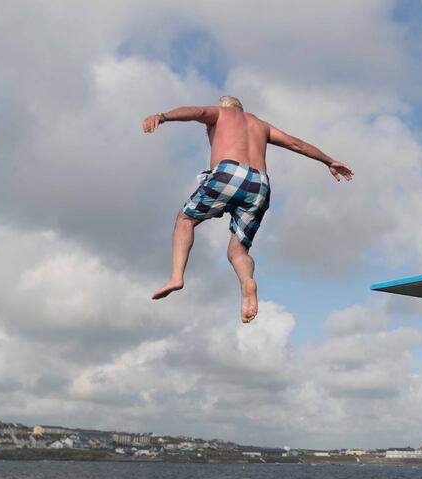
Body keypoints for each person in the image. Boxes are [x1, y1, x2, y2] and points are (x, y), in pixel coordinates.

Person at [142, 96, 353, 323]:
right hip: (260, 184)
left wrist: (162, 117)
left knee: (185, 220)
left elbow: (198, 112)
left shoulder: (221, 113)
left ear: (225, 106)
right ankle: (246, 282)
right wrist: (329, 161)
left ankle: (176, 277)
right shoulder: (260, 125)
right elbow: (296, 144)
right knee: (238, 251)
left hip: (229, 173)